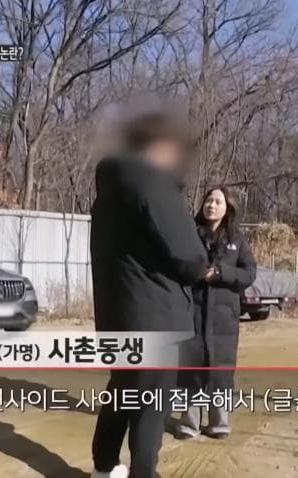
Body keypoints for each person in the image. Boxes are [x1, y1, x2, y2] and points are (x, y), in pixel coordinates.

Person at [89, 109, 208, 478]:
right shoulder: (152, 183)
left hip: (116, 315)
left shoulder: (108, 192)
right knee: (151, 403)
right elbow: (189, 256)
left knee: (122, 391)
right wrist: (201, 268)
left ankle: (105, 466)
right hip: (155, 315)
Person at [175, 187, 257, 440]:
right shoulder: (189, 234)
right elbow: (176, 264)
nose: (211, 205)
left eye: (218, 202)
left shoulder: (236, 239)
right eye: (208, 200)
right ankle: (189, 423)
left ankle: (219, 423)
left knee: (221, 368)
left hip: (224, 317)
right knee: (190, 366)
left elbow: (249, 273)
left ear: (227, 208)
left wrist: (221, 274)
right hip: (193, 311)